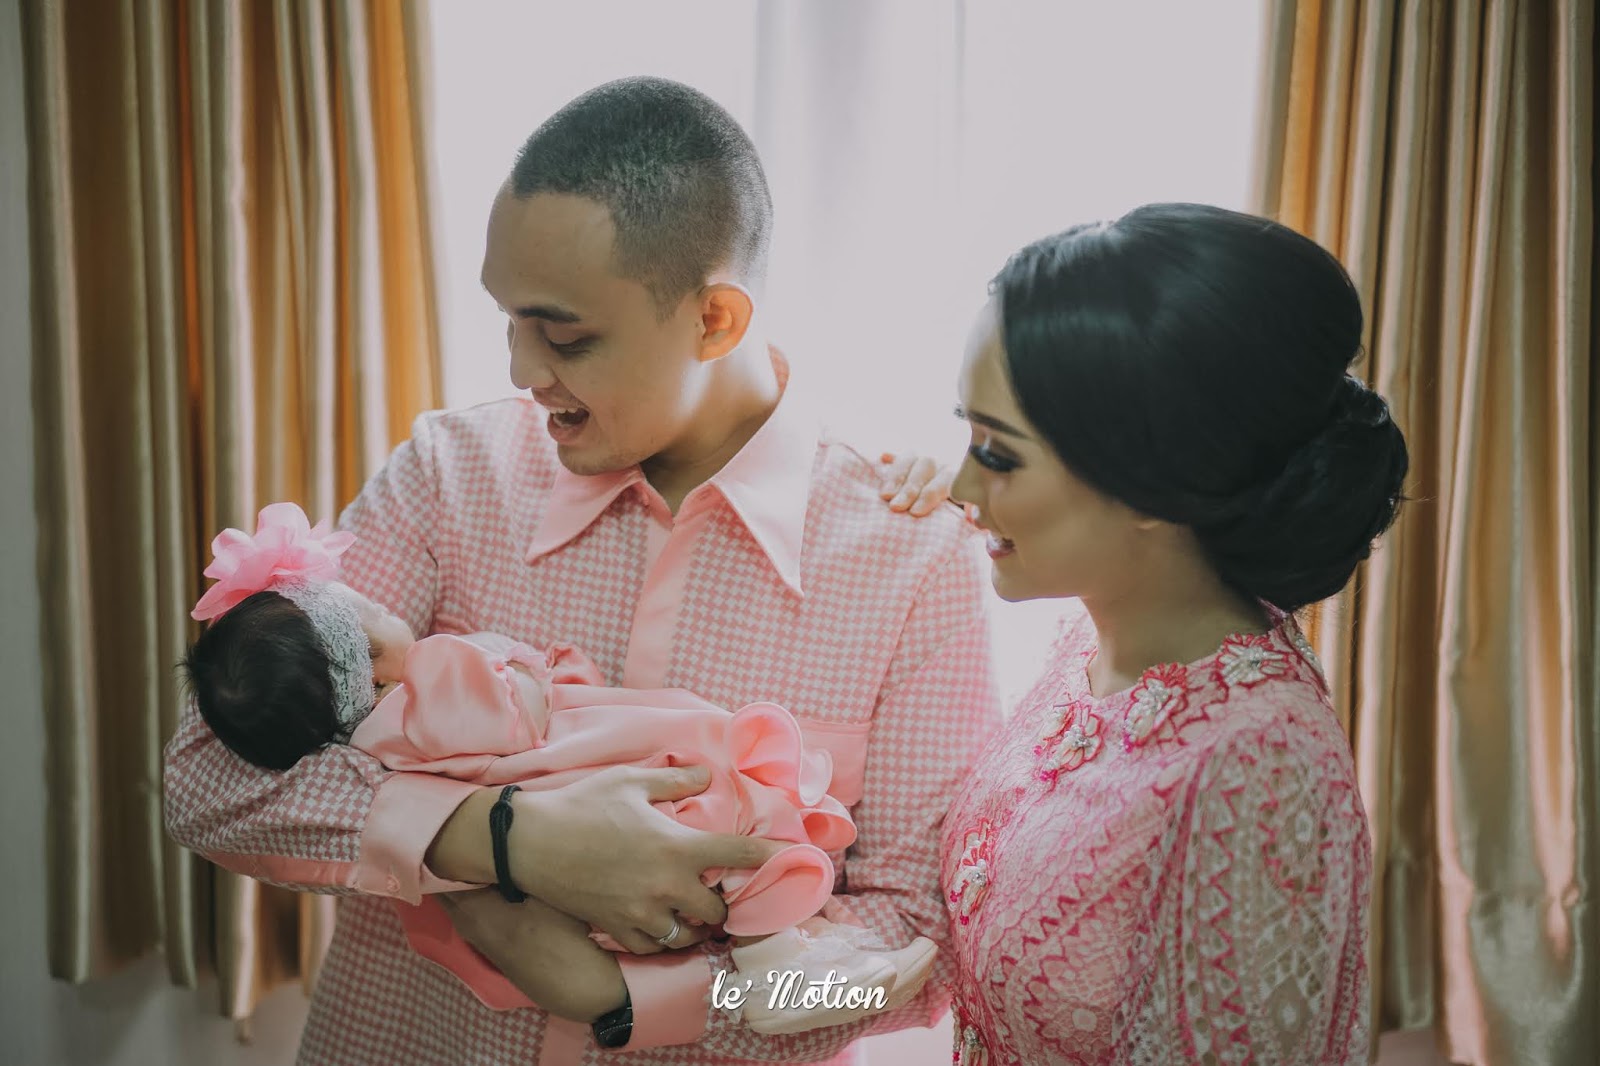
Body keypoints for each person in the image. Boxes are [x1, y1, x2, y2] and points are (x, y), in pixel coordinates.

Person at [163, 76, 1000, 1065]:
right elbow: (206, 778)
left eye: (564, 336)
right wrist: (502, 837)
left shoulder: (913, 557)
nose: (522, 370)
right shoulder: (449, 477)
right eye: (509, 320)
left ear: (715, 320)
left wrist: (628, 998)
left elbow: (918, 940)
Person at [941, 203, 1405, 1064]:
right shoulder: (1093, 647)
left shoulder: (1259, 766)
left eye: (998, 454)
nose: (957, 486)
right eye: (966, 435)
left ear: (1153, 482)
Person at [179, 501, 936, 1020]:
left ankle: (784, 956)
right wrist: (517, 677)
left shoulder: (374, 737)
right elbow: (517, 710)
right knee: (713, 818)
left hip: (566, 820)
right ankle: (777, 964)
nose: (386, 605)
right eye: (371, 613)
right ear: (371, 669)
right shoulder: (421, 693)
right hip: (578, 776)